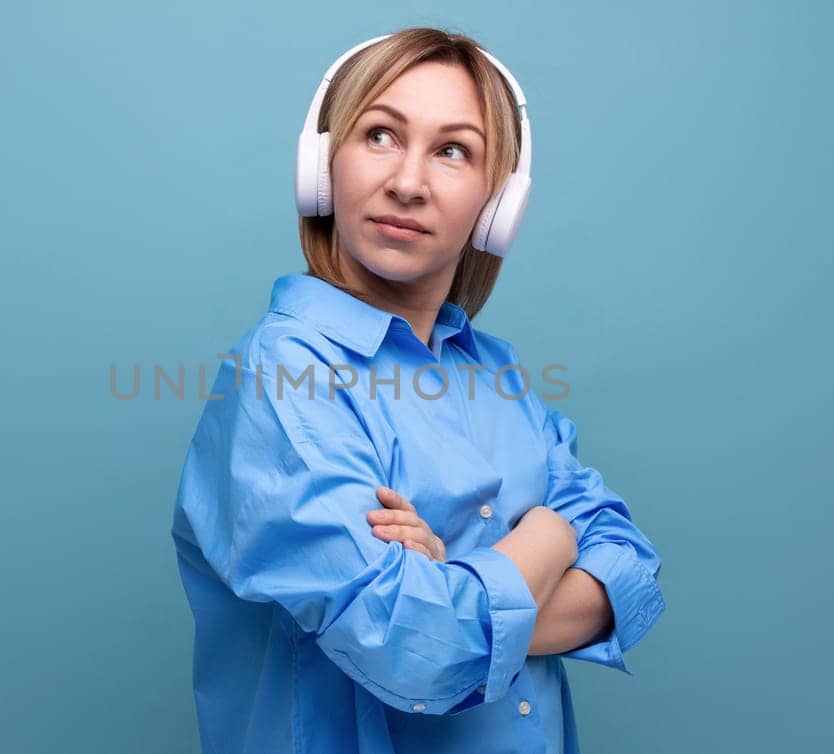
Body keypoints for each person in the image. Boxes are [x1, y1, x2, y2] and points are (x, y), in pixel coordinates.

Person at [171, 27, 666, 754]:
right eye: (379, 135)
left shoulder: (496, 373)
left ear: (498, 205)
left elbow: (630, 571)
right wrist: (551, 537)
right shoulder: (281, 376)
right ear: (322, 164)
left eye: (453, 150)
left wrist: (463, 581)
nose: (407, 182)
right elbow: (421, 649)